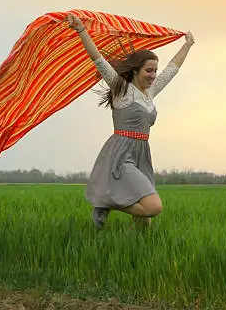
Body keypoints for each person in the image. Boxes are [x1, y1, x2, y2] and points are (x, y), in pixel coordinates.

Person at [65, 13, 195, 229]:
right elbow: (98, 59)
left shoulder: (150, 92)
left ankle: (138, 251)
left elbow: (172, 69)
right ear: (135, 71)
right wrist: (81, 30)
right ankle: (106, 201)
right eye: (148, 70)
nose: (154, 75)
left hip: (142, 154)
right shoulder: (121, 89)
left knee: (145, 220)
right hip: (121, 153)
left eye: (155, 70)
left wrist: (188, 45)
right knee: (153, 206)